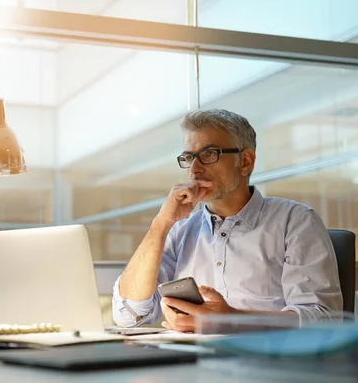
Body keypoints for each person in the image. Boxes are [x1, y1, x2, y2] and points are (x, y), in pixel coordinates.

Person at [112, 109, 343, 331]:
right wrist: (161, 224)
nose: (194, 169)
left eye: (209, 154)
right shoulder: (180, 231)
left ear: (245, 162)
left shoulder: (296, 221)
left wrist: (232, 320)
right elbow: (129, 315)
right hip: (192, 362)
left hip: (268, 362)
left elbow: (322, 319)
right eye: (188, 157)